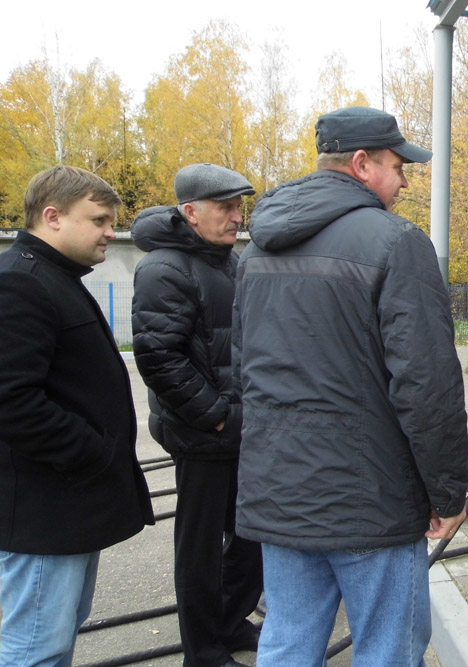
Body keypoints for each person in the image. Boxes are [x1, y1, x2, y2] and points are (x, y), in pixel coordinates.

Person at [232, 106, 468, 666]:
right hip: (370, 498)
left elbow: (244, 369)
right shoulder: (396, 242)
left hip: (282, 493)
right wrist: (447, 491)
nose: (406, 180)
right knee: (388, 649)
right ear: (362, 164)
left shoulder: (256, 250)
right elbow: (427, 384)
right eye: (398, 166)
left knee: (287, 641)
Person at [0, 165, 154, 666]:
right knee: (34, 649)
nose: (111, 230)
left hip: (65, 507)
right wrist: (90, 452)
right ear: (52, 217)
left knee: (55, 637)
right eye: (99, 219)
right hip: (43, 515)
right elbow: (11, 400)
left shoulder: (53, 276)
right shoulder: (22, 283)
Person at [131, 164, 263, 667]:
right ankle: (203, 650)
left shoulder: (226, 260)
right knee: (201, 549)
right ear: (191, 213)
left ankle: (230, 623)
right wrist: (216, 417)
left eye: (239, 206)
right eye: (226, 208)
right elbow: (158, 359)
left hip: (237, 428)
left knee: (250, 536)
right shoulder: (165, 268)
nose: (237, 217)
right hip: (204, 434)